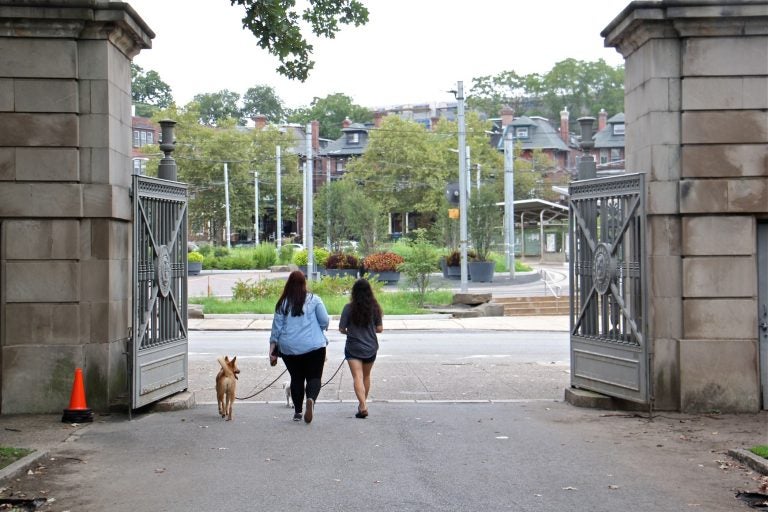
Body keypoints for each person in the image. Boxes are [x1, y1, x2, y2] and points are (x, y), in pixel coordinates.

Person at [269, 270, 329, 423]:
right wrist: (319, 329)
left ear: (288, 284)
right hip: (314, 346)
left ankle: (297, 412)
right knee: (314, 377)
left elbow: (276, 328)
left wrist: (272, 350)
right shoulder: (314, 300)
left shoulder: (282, 303)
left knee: (296, 378)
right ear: (304, 283)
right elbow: (324, 320)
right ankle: (311, 400)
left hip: (289, 348)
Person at [339, 278, 383, 418]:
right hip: (370, 347)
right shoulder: (375, 308)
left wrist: (349, 332)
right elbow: (380, 328)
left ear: (354, 292)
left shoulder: (348, 308)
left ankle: (363, 405)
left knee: (357, 376)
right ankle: (363, 404)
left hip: (353, 347)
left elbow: (341, 328)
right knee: (366, 375)